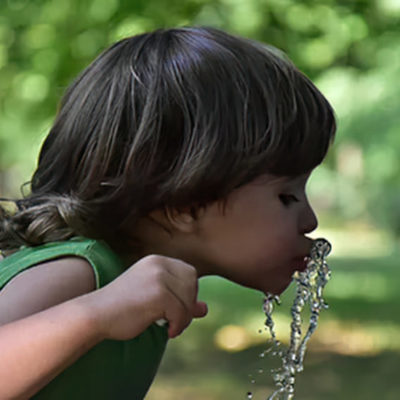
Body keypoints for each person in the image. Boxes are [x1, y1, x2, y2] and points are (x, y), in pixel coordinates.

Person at [0, 26, 336, 399]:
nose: (311, 221)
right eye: (287, 197)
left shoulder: (136, 291)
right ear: (184, 203)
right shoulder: (77, 273)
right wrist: (96, 315)